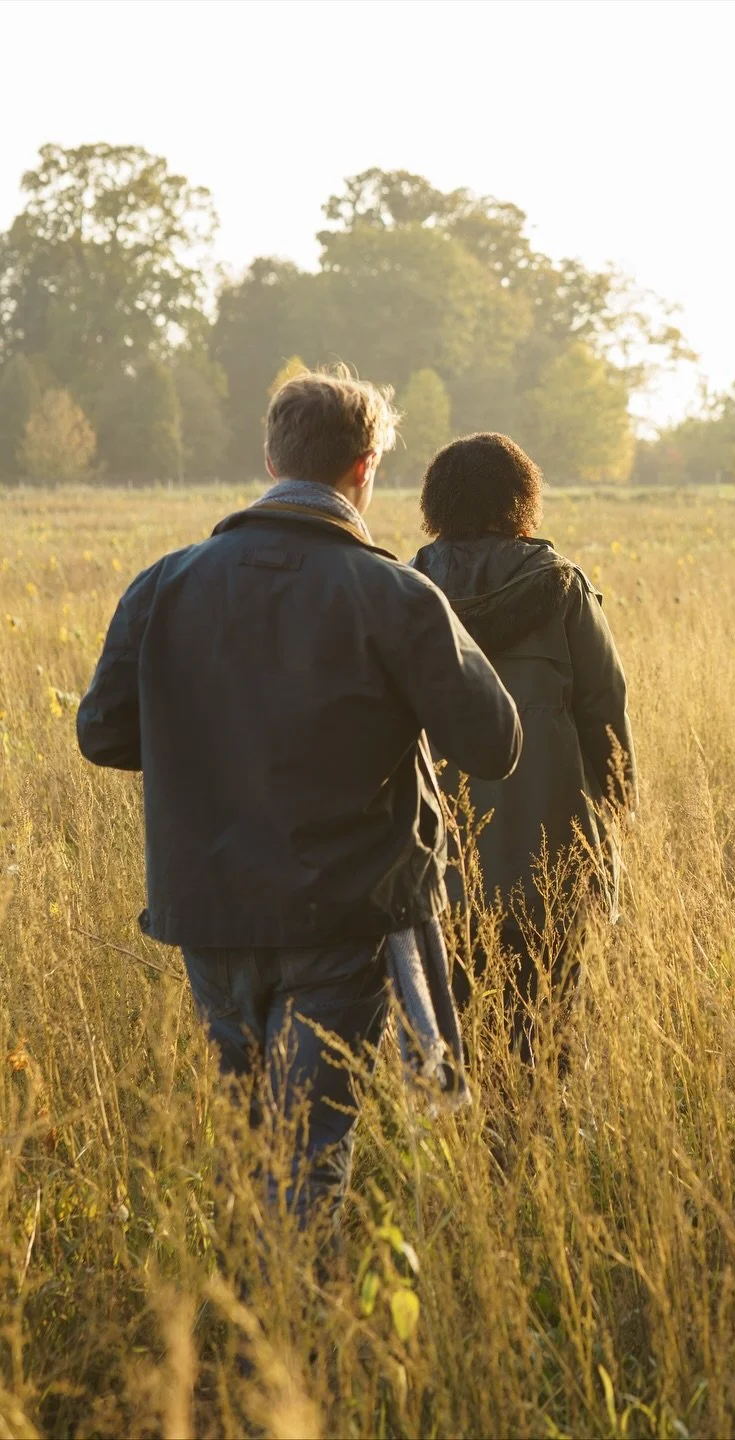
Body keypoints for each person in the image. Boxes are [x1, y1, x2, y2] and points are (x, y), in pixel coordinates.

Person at [76, 370, 521, 1227]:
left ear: (271, 455)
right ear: (365, 468)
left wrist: (209, 746)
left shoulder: (164, 585)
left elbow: (101, 735)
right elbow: (496, 743)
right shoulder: (393, 595)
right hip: (339, 919)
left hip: (207, 914)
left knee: (248, 1154)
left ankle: (249, 1339)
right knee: (309, 1161)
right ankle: (291, 1354)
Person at [410, 433, 635, 1058]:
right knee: (547, 1037)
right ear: (522, 498)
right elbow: (605, 715)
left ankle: (468, 1151)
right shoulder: (562, 588)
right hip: (553, 861)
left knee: (453, 1046)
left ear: (437, 503)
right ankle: (536, 1149)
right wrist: (617, 820)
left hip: (437, 871)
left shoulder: (402, 593)